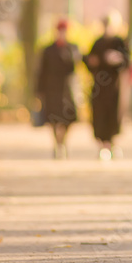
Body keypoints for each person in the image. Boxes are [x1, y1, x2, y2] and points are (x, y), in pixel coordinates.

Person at [84, 10, 130, 160]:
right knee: (99, 115)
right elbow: (90, 60)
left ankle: (112, 143)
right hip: (99, 87)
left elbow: (127, 62)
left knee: (114, 115)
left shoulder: (120, 42)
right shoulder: (97, 42)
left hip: (115, 87)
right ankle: (102, 145)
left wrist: (118, 60)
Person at [35, 18, 78, 159]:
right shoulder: (48, 50)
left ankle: (63, 142)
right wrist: (38, 91)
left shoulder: (72, 48)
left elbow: (74, 67)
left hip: (67, 89)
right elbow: (41, 71)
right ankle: (57, 143)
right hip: (51, 89)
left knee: (68, 118)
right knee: (53, 118)